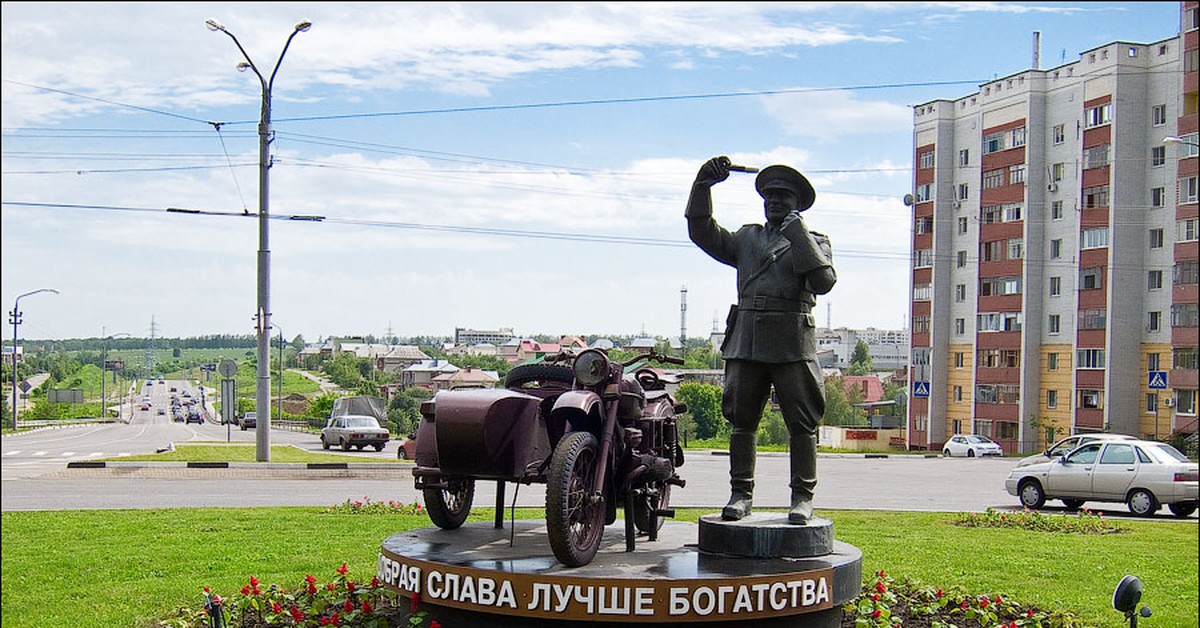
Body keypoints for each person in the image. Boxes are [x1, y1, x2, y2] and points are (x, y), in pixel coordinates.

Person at [685, 155, 836, 525]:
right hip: (748, 339)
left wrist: (796, 232)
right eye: (769, 196)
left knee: (802, 423)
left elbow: (823, 281)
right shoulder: (747, 239)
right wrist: (702, 186)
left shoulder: (814, 240)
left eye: (783, 196)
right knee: (743, 421)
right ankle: (741, 494)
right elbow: (702, 231)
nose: (773, 201)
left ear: (798, 203)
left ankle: (802, 497)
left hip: (791, 343)